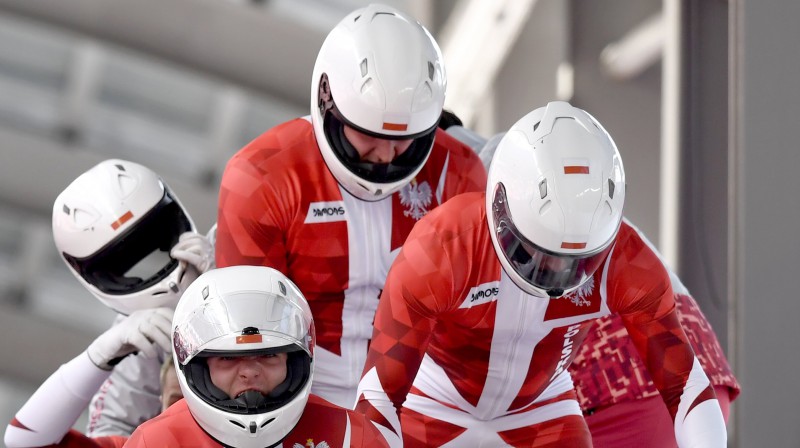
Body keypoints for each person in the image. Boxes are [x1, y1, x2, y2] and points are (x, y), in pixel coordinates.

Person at [355, 101, 727, 447]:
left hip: (544, 404)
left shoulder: (628, 261)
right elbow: (379, 394)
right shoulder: (440, 246)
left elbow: (684, 384)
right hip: (437, 398)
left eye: (576, 261)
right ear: (498, 205)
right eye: (536, 252)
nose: (554, 273)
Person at [215, 3, 486, 409]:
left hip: (427, 392)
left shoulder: (460, 171)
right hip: (304, 393)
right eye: (367, 135)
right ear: (328, 101)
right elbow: (250, 330)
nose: (386, 155)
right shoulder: (260, 175)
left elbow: (478, 309)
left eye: (405, 139)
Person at [125, 265, 389, 447]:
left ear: (296, 360)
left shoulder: (353, 436)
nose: (250, 371)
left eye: (269, 354)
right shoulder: (156, 442)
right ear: (198, 367)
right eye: (228, 358)